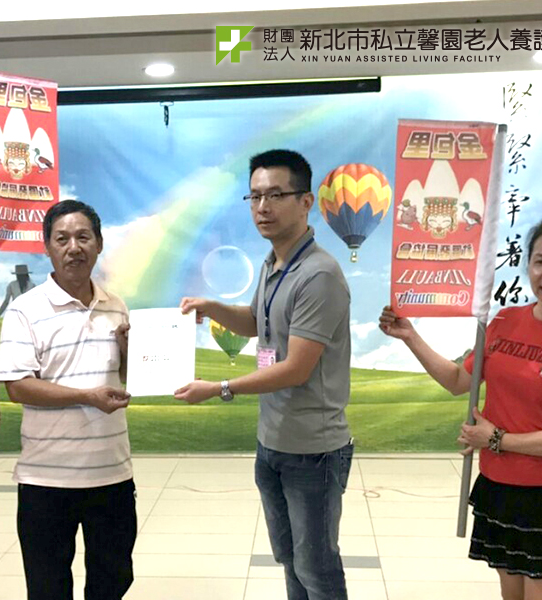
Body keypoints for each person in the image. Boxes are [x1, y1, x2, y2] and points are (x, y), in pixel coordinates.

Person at [379, 213, 542, 600]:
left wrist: (497, 440)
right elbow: (458, 382)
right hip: (500, 487)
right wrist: (410, 336)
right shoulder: (505, 321)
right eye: (540, 261)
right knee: (511, 596)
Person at [176, 149, 353, 600]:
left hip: (313, 450)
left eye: (275, 195)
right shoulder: (273, 264)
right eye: (254, 197)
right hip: (272, 441)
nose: (262, 207)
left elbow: (295, 369)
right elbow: (257, 323)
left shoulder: (319, 274)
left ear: (306, 201)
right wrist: (211, 307)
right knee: (290, 559)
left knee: (317, 569)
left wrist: (219, 388)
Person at [0, 200, 135, 600]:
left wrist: (128, 351)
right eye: (62, 239)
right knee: (48, 587)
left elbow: (125, 378)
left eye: (83, 237)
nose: (74, 247)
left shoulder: (116, 305)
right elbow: (18, 386)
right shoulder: (24, 310)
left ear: (99, 244)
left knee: (112, 582)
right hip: (46, 480)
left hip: (111, 474)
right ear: (47, 248)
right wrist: (87, 397)